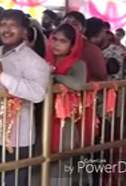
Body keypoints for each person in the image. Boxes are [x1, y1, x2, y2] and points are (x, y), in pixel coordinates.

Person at [0, 9, 50, 186]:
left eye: (12, 25)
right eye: (3, 24)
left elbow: (38, 93)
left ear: (24, 31)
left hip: (15, 140)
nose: (6, 29)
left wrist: (1, 74)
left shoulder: (34, 61)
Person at [45, 23, 87, 185]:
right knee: (43, 158)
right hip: (44, 116)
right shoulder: (45, 61)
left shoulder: (77, 64)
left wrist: (54, 76)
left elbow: (78, 84)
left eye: (63, 41)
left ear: (72, 45)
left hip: (65, 121)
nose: (56, 44)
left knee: (62, 158)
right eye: (54, 39)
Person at [63, 11, 107, 81]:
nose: (69, 27)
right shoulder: (53, 46)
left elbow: (101, 80)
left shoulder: (92, 51)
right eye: (66, 24)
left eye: (75, 24)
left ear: (83, 29)